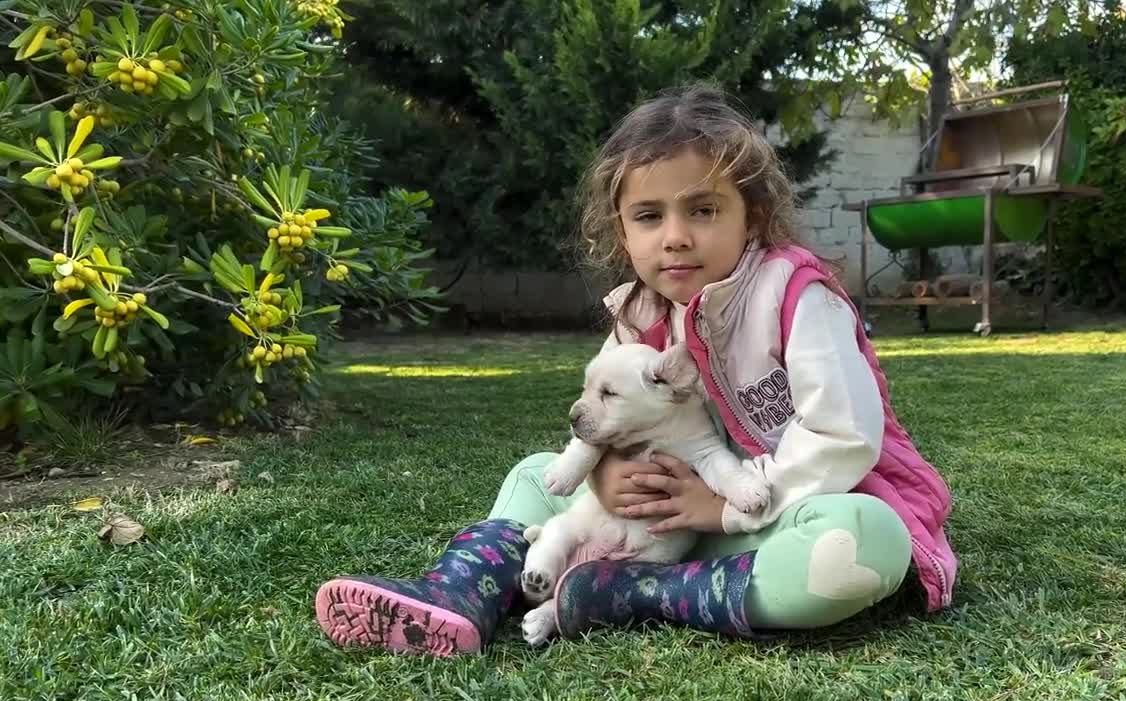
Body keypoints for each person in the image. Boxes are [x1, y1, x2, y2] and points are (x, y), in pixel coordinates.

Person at [314, 83, 956, 656]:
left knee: (868, 541)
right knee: (536, 474)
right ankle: (459, 590)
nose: (675, 236)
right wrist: (611, 473)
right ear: (623, 232)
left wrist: (722, 506)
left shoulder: (796, 297)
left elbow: (845, 440)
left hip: (783, 512)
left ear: (751, 216)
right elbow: (608, 420)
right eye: (649, 216)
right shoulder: (641, 314)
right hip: (664, 523)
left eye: (702, 210)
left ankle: (630, 594)